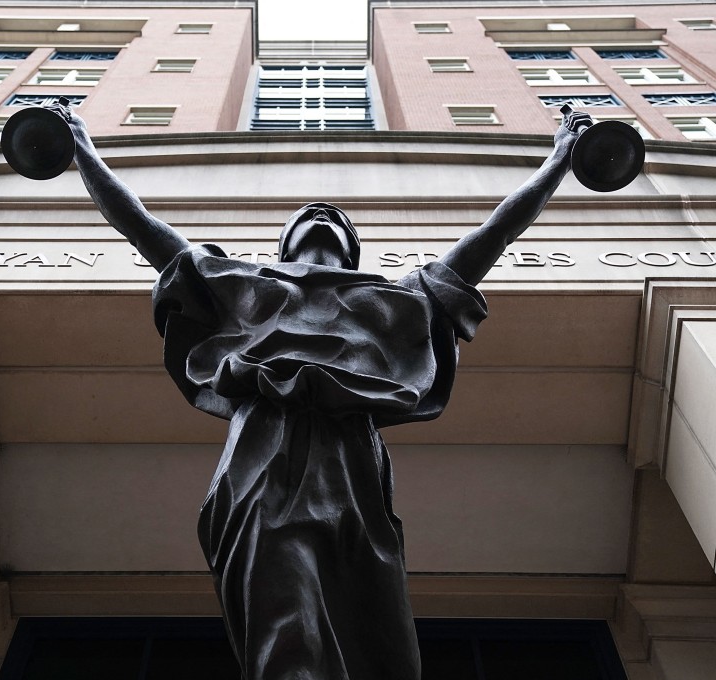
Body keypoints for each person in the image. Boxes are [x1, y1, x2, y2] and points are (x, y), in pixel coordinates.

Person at [63, 105, 592, 680]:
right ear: (285, 243)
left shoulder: (396, 300)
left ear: (353, 248)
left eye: (338, 215)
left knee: (382, 642)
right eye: (307, 213)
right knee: (286, 627)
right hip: (265, 448)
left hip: (354, 461)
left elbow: (493, 235)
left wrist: (560, 160)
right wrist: (82, 150)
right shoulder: (239, 285)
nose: (321, 212)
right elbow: (139, 224)